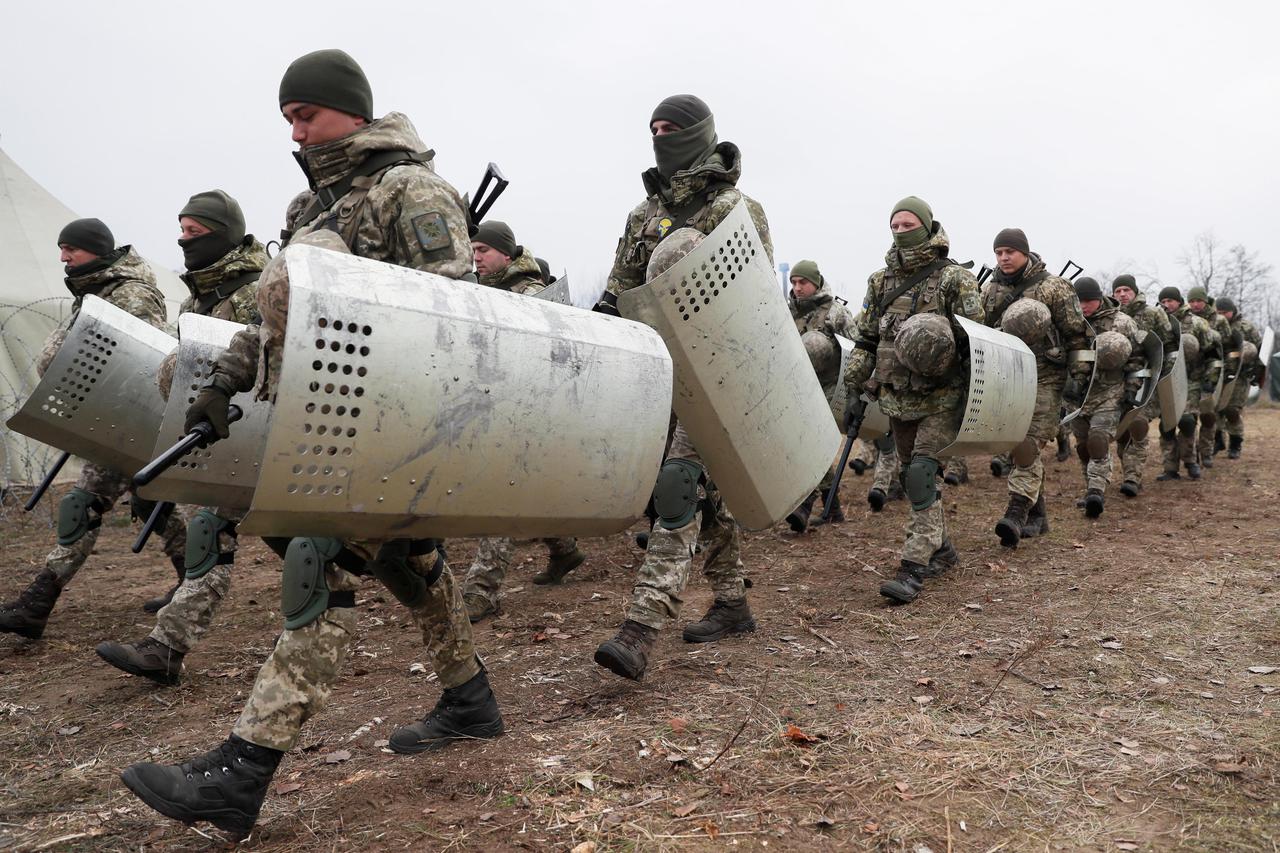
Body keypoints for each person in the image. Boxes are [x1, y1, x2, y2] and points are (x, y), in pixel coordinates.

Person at [120, 49, 501, 840]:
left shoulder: (411, 188)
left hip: (397, 421)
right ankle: (470, 698)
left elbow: (457, 316)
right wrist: (224, 382)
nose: (297, 128)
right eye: (289, 116)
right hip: (327, 416)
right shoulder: (307, 208)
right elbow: (271, 319)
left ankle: (244, 769)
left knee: (318, 564)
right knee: (410, 562)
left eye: (309, 114)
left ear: (353, 112)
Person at [592, 94, 770, 679]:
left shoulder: (737, 209)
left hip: (717, 372)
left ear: (701, 135)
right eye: (653, 129)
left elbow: (755, 301)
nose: (661, 137)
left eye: (672, 128)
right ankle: (732, 603)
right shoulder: (641, 217)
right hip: (658, 372)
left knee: (678, 484)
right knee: (703, 494)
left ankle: (642, 627)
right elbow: (618, 292)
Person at [95, 191, 267, 684]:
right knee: (233, 535)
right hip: (220, 438)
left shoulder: (256, 290)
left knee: (231, 534)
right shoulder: (198, 297)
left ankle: (167, 645)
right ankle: (166, 649)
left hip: (261, 436)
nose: (184, 240)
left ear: (225, 232)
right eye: (182, 230)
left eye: (196, 231)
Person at [0, 219, 185, 640]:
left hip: (128, 420)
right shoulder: (94, 291)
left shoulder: (130, 293)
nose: (64, 258)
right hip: (107, 418)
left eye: (71, 249)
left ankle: (38, 603)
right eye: (61, 249)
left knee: (81, 504)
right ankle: (191, 578)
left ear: (96, 249)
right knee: (150, 501)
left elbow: (144, 361)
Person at [842, 196, 983, 604]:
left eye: (908, 224)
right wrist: (854, 388)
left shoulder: (956, 280)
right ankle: (942, 549)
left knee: (921, 474)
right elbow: (867, 338)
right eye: (895, 225)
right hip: (896, 398)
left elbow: (979, 340)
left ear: (926, 225)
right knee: (912, 476)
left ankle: (913, 568)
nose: (901, 231)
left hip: (943, 397)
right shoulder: (879, 281)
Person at [461, 220, 585, 621]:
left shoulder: (530, 294)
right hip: (495, 406)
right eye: (473, 251)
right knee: (527, 491)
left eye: (482, 251)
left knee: (502, 497)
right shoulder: (482, 291)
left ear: (506, 254)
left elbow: (557, 356)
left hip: (530, 411)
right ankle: (564, 549)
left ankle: (481, 591)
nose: (476, 258)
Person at [982, 228, 1091, 546]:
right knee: (1016, 445)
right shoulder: (990, 291)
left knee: (1027, 444)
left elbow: (1076, 336)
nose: (1004, 257)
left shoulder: (1054, 287)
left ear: (1025, 252)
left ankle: (1016, 513)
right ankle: (1038, 516)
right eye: (999, 252)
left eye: (1010, 251)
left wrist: (1079, 379)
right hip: (1009, 376)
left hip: (1047, 377)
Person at [784, 259, 853, 531]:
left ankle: (804, 504)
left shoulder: (835, 312)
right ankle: (832, 507)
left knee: (809, 443)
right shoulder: (787, 313)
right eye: (794, 283)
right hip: (799, 388)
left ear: (816, 282)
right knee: (806, 444)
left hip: (831, 388)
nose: (798, 288)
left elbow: (857, 346)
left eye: (803, 282)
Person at [1067, 277, 1145, 517]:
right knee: (1083, 447)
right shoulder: (1069, 323)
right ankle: (1088, 485)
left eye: (1089, 301)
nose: (1084, 307)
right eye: (1079, 302)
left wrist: (1132, 387)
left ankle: (1096, 492)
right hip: (1077, 395)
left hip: (1110, 392)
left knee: (1099, 440)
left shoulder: (1122, 323)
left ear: (1099, 299)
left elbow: (1138, 358)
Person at [1112, 274, 1177, 496]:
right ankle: (1130, 472)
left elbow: (1167, 346)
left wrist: (1166, 376)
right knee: (1121, 431)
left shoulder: (1153, 313)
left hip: (1147, 380)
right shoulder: (1110, 316)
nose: (1122, 294)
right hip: (1116, 382)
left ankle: (1132, 477)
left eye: (1126, 290)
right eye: (1118, 291)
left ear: (1134, 291)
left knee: (1137, 424)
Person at [1156, 286, 1219, 480]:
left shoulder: (1198, 323)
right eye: (1163, 301)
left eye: (1170, 301)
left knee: (1187, 421)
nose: (1167, 305)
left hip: (1192, 380)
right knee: (1166, 425)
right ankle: (1170, 468)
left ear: (1179, 301)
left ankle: (1191, 461)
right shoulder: (1158, 323)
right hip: (1166, 381)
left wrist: (1211, 379)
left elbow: (1213, 354)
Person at [1186, 287, 1232, 467]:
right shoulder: (1187, 320)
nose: (1195, 304)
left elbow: (1226, 346)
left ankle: (1206, 452)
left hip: (1213, 372)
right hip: (1191, 375)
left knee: (1208, 415)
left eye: (1198, 300)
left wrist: (1224, 372)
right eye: (1192, 301)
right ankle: (1192, 457)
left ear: (1205, 301)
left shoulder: (1219, 320)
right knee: (1190, 417)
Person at [1213, 296, 1263, 459]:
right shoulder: (1213, 326)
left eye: (1225, 312)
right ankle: (1217, 440)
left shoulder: (1246, 327)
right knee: (1215, 409)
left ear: (1232, 311)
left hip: (1240, 376)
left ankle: (1235, 444)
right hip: (1218, 373)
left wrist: (1257, 373)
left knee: (1232, 410)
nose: (1221, 315)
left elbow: (1260, 351)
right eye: (1218, 312)